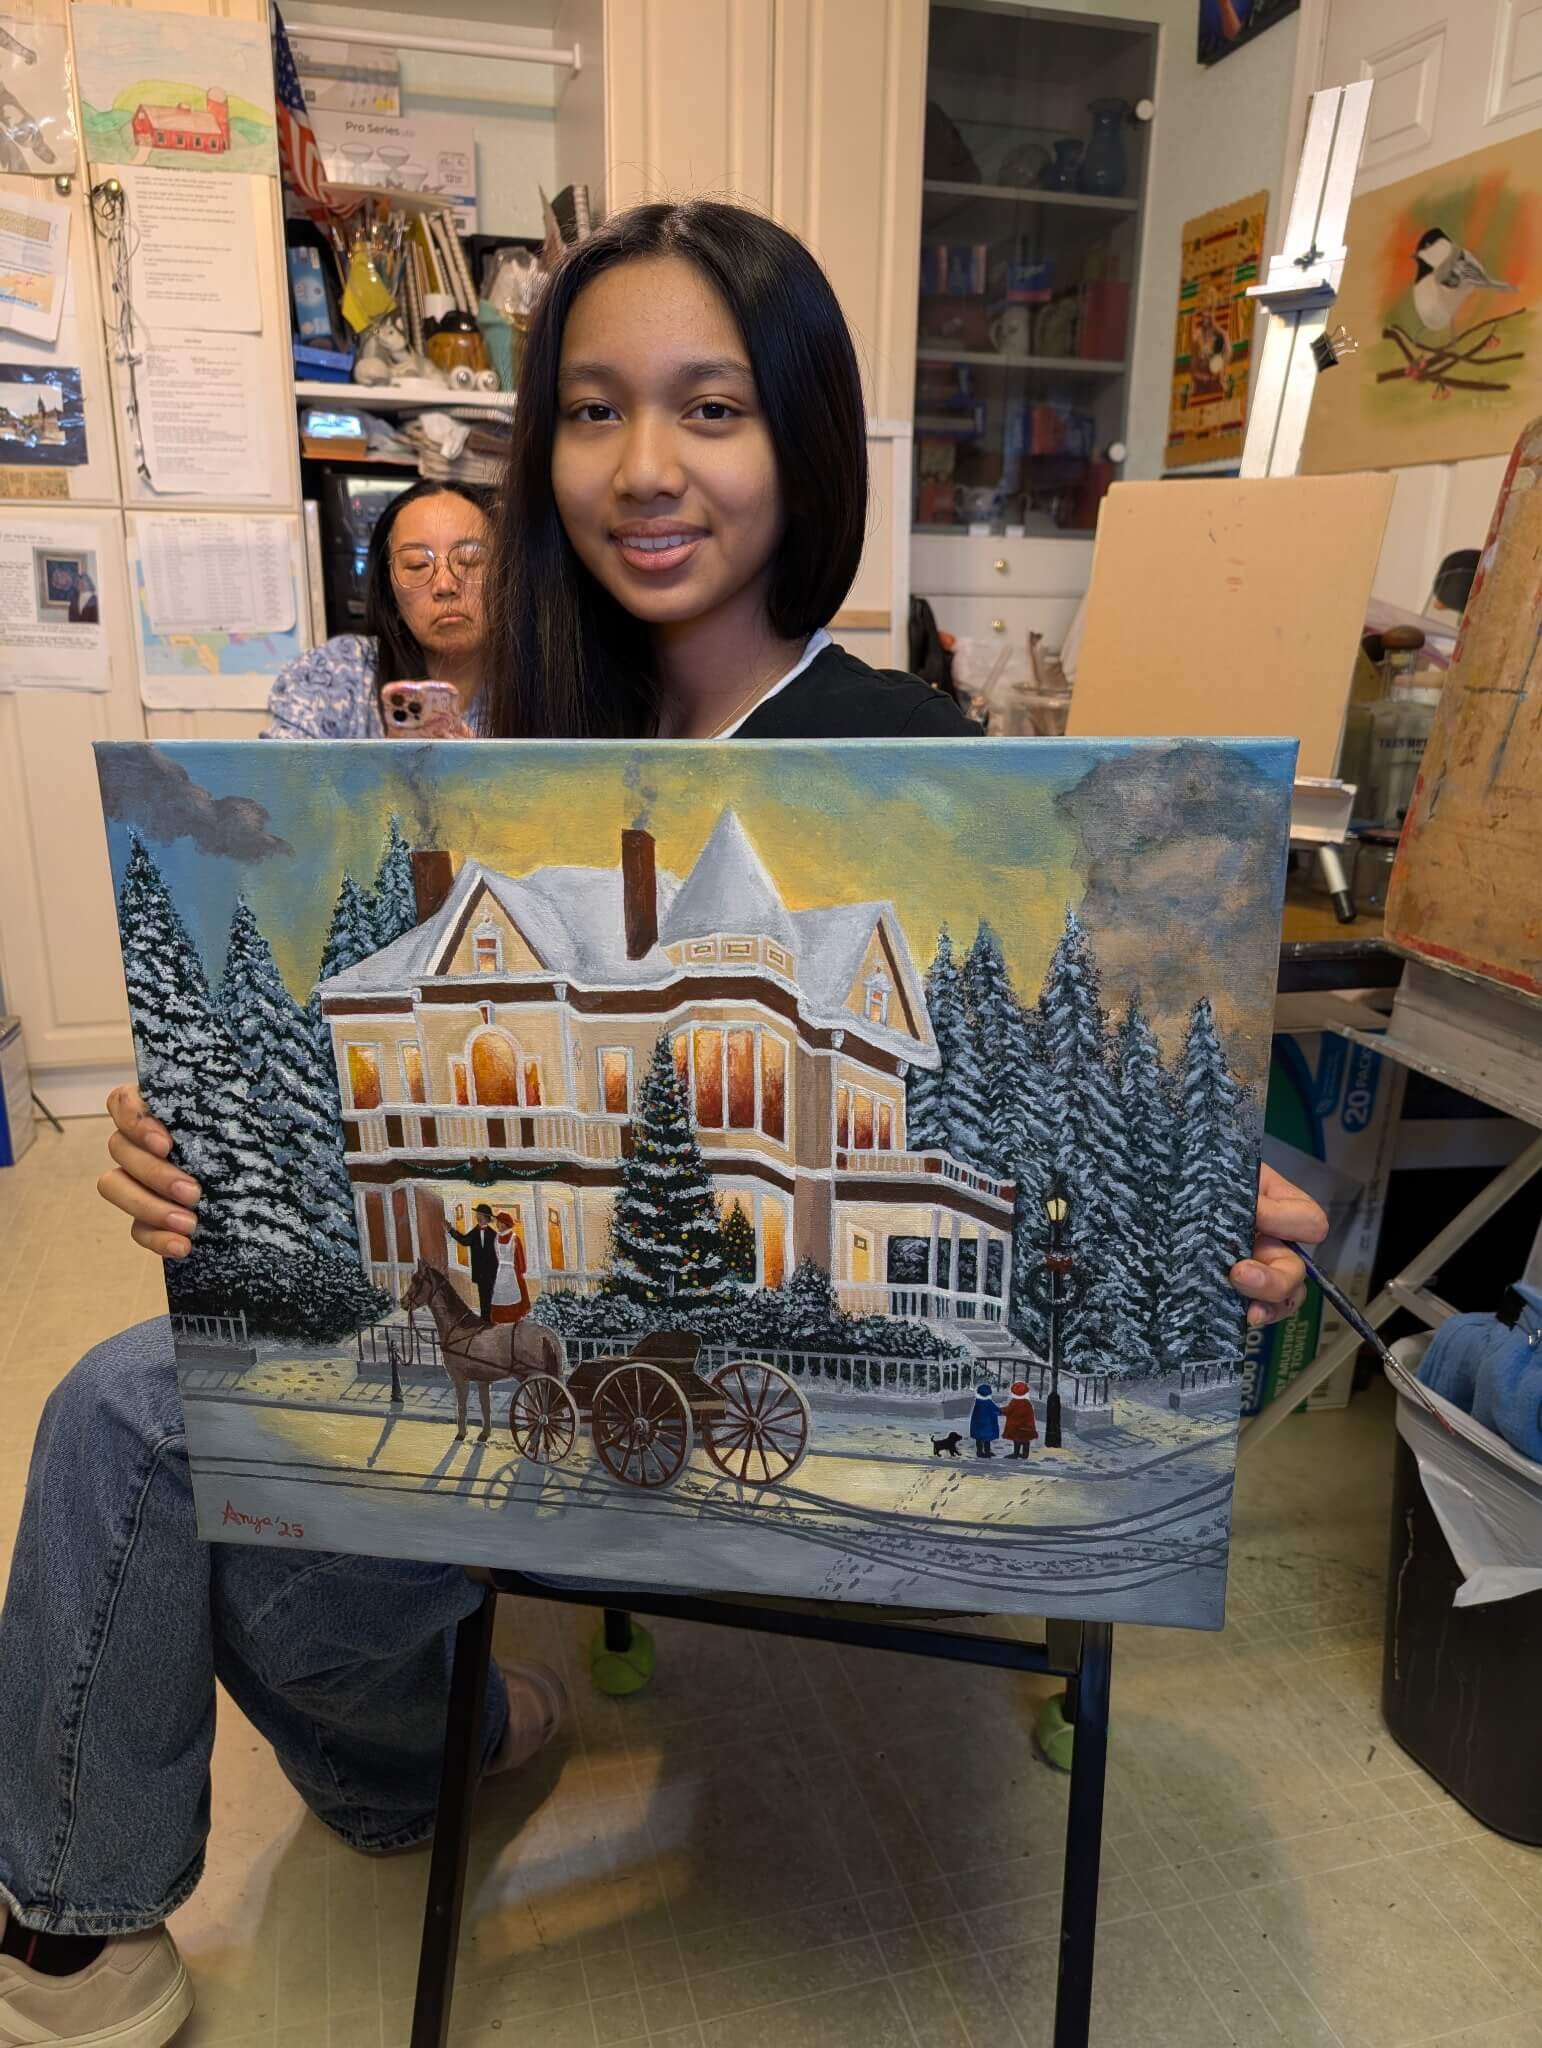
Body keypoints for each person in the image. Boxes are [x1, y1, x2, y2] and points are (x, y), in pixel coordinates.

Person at [5, 200, 1328, 2048]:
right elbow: (351, 1054)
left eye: (710, 408)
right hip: (553, 1393)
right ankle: (214, 1853)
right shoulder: (515, 746)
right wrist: (191, 1164)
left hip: (751, 1438)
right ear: (540, 449)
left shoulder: (925, 757)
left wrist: (1248, 1224)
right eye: (594, 409)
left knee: (177, 1421)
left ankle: (418, 1748)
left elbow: (1196, 1105)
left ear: (797, 434)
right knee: (144, 1404)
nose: (645, 468)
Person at [262, 477, 497, 740]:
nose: (445, 584)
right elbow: (275, 776)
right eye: (417, 565)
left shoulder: (542, 680)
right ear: (390, 593)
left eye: (469, 559)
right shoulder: (337, 672)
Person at [444, 1202, 499, 1321]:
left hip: (492, 1272)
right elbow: (464, 1241)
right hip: (480, 1272)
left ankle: (491, 1318)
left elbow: (498, 1254)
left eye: (481, 1215)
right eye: (477, 1214)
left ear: (487, 1218)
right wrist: (451, 1230)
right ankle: (485, 1320)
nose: (478, 1217)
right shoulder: (474, 1232)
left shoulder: (494, 1235)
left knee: (492, 1296)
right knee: (483, 1296)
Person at [489, 1213, 531, 1326]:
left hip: (512, 1273)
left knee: (513, 1296)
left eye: (499, 1222)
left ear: (504, 1224)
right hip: (498, 1272)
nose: (497, 1225)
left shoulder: (514, 1238)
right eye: (497, 1222)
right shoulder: (496, 1238)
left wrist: (520, 1272)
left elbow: (520, 1260)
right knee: (497, 1296)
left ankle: (512, 1321)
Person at [1003, 1381, 1038, 1459]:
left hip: (1015, 1427)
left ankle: (1016, 1453)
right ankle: (1025, 1455)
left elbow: (1007, 1411)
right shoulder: (1027, 1403)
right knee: (1026, 1441)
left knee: (1017, 1440)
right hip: (1027, 1427)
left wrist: (1000, 1410)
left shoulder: (1014, 1402)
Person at [969, 1381, 1004, 1458]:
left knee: (979, 1439)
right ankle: (987, 1452)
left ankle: (979, 1452)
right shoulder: (989, 1403)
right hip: (987, 1425)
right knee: (987, 1440)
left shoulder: (978, 1402)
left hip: (977, 1425)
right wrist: (1002, 1411)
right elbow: (997, 1411)